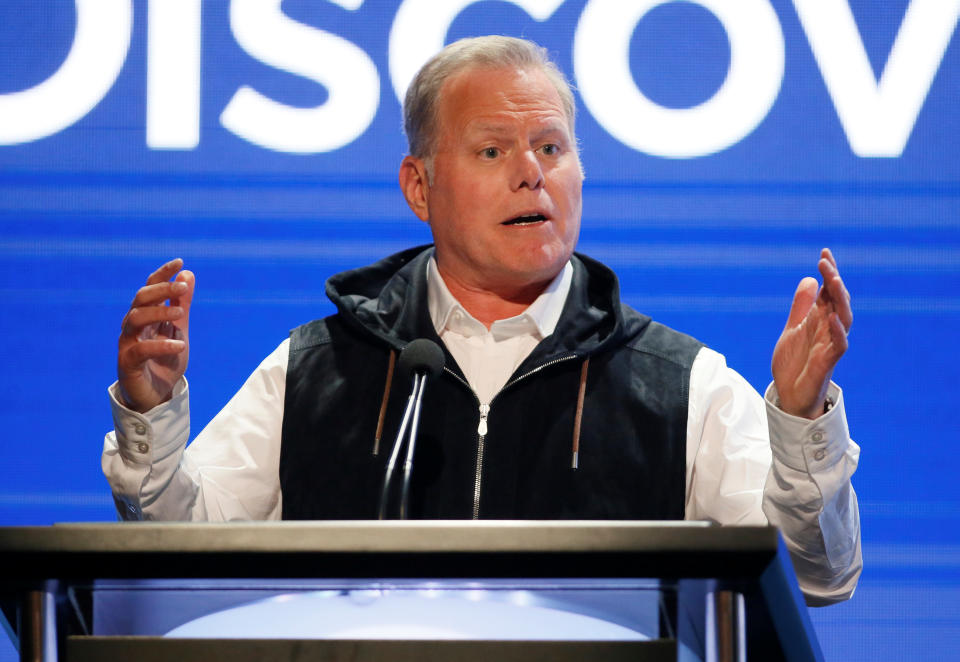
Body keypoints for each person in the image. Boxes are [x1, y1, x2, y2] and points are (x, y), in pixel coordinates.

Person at [103, 36, 860, 605]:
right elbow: (179, 550)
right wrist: (150, 412)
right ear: (418, 186)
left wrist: (797, 422)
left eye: (551, 147)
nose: (531, 171)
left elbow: (812, 579)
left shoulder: (676, 385)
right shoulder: (319, 369)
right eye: (493, 149)